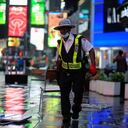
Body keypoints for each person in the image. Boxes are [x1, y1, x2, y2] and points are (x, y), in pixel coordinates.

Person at [54, 18, 97, 127]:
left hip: (78, 72)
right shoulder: (59, 43)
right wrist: (57, 70)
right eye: (61, 29)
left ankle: (76, 109)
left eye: (64, 29)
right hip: (64, 72)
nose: (62, 31)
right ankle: (66, 117)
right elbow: (58, 59)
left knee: (78, 93)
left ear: (69, 29)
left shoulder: (79, 39)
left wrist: (93, 65)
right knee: (64, 95)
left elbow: (91, 49)